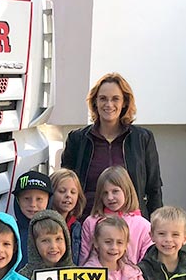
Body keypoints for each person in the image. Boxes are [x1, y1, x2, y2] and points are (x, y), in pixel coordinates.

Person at [60, 73, 163, 219]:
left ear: (125, 103)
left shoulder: (142, 139)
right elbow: (65, 185)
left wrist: (155, 227)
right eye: (103, 98)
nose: (109, 104)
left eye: (115, 99)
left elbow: (154, 189)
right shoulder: (77, 139)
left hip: (131, 226)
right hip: (86, 223)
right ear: (95, 102)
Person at [80, 166, 152, 265]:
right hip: (97, 278)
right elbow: (84, 257)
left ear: (126, 190)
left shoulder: (143, 225)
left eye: (115, 191)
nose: (110, 197)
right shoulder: (91, 222)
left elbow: (147, 262)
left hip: (131, 278)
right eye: (105, 193)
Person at [11, 171, 51, 268]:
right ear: (17, 200)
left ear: (49, 200)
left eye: (39, 199)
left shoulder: (55, 230)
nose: (33, 204)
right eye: (26, 198)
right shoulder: (11, 231)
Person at [50, 168, 85, 264]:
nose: (68, 195)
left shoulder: (76, 226)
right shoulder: (43, 224)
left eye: (73, 192)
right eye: (62, 191)